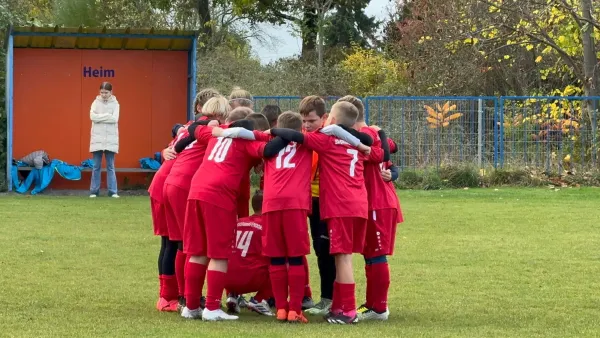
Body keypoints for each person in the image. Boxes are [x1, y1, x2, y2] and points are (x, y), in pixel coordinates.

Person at [215, 111, 371, 323]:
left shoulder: (269, 139)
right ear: (301, 129)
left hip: (271, 204)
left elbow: (249, 136)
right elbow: (341, 134)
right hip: (296, 205)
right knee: (296, 257)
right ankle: (295, 310)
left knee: (277, 257)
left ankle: (280, 308)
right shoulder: (307, 142)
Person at [270, 101, 388, 324]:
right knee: (343, 257)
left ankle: (347, 310)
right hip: (358, 204)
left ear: (331, 119)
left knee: (342, 258)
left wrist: (272, 130)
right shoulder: (355, 144)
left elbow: (296, 136)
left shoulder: (327, 140)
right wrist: (372, 138)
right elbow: (378, 153)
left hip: (340, 205)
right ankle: (339, 306)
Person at [180, 117, 288, 321]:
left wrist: (219, 129)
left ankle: (191, 306)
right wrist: (261, 135)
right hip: (219, 195)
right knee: (219, 254)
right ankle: (212, 308)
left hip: (196, 191)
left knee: (197, 252)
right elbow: (270, 148)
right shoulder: (246, 142)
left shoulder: (215, 135)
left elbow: (194, 129)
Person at [336, 96, 400, 321]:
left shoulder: (366, 136)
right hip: (374, 202)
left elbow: (386, 151)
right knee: (370, 255)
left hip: (378, 203)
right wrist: (393, 172)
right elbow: (391, 149)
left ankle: (379, 308)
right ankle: (372, 304)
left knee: (376, 255)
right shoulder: (375, 135)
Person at [148, 123, 189, 312]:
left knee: (169, 242)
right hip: (166, 188)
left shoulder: (188, 130)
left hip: (163, 186)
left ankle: (168, 295)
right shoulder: (196, 130)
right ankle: (167, 296)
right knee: (171, 242)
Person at [225, 190, 274, 317]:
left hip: (225, 278)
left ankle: (232, 296)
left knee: (233, 258)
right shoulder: (267, 226)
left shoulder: (238, 221)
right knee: (281, 263)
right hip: (250, 279)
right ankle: (259, 300)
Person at [89, 82, 120, 198]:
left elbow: (114, 119)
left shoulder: (116, 104)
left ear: (111, 92)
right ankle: (94, 191)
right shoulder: (95, 102)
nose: (104, 94)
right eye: (102, 92)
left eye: (106, 92)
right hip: (97, 139)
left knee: (110, 166)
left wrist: (99, 118)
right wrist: (107, 115)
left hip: (110, 140)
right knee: (96, 166)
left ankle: (113, 191)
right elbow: (92, 117)